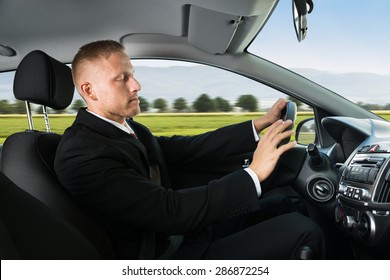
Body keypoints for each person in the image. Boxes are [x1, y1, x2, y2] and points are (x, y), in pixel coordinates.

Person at [54, 40, 325, 260]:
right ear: (90, 90)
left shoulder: (124, 128)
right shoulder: (81, 153)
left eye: (133, 75)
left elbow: (189, 149)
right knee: (303, 231)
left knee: (287, 205)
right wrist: (253, 173)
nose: (136, 85)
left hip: (184, 236)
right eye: (121, 78)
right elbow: (168, 212)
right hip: (164, 257)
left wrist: (258, 124)